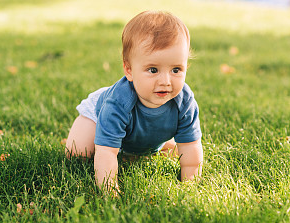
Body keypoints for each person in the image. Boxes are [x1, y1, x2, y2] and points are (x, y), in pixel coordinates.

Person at [65, 10, 203, 193]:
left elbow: (191, 145)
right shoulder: (118, 103)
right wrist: (109, 190)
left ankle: (147, 148)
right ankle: (122, 147)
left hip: (142, 130)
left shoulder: (184, 102)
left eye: (176, 70)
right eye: (153, 70)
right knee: (79, 153)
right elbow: (106, 151)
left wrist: (190, 185)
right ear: (129, 70)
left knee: (149, 151)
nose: (165, 81)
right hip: (98, 115)